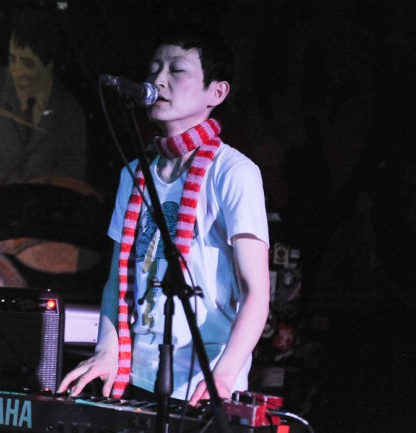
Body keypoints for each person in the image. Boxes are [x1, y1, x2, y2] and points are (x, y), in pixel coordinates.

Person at [58, 29, 270, 405]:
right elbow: (117, 281)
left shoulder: (233, 172)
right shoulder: (134, 173)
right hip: (135, 374)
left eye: (177, 70)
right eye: (155, 68)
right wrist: (107, 349)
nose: (158, 80)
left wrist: (223, 376)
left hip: (204, 381)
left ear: (216, 92)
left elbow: (257, 293)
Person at [0, 6, 87, 191]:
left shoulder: (70, 114)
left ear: (49, 64)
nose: (17, 72)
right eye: (12, 59)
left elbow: (71, 181)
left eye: (28, 64)